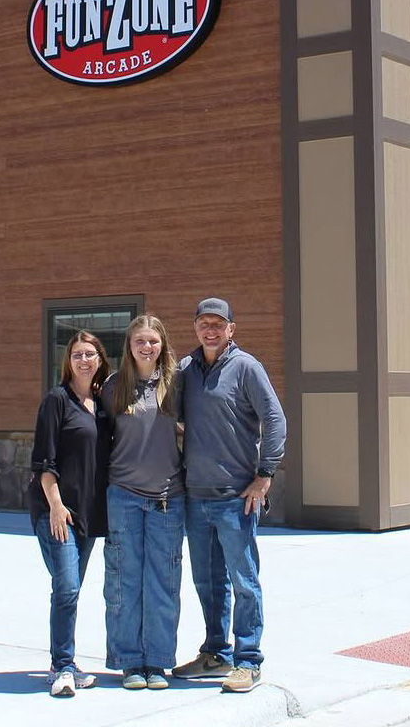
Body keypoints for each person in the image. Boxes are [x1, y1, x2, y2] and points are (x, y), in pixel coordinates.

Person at [172, 297, 286, 693]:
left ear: (231, 329)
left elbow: (275, 419)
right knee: (208, 582)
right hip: (195, 496)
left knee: (243, 581)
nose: (211, 330)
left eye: (218, 324)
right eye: (204, 323)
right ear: (195, 327)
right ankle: (215, 654)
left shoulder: (246, 367)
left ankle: (248, 660)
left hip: (236, 499)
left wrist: (265, 474)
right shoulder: (186, 369)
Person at [100, 315, 186, 691]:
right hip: (124, 497)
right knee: (123, 582)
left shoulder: (177, 386)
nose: (146, 347)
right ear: (129, 346)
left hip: (168, 499)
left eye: (153, 341)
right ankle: (130, 662)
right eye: (140, 341)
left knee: (164, 584)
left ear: (162, 345)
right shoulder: (114, 387)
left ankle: (158, 663)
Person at [28, 331, 112, 698]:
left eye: (89, 354)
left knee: (70, 591)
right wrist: (56, 506)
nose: (83, 360)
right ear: (68, 361)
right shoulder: (56, 401)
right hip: (58, 512)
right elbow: (43, 463)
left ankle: (65, 662)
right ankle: (61, 667)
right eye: (77, 354)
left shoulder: (101, 403)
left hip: (89, 515)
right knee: (66, 587)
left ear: (99, 360)